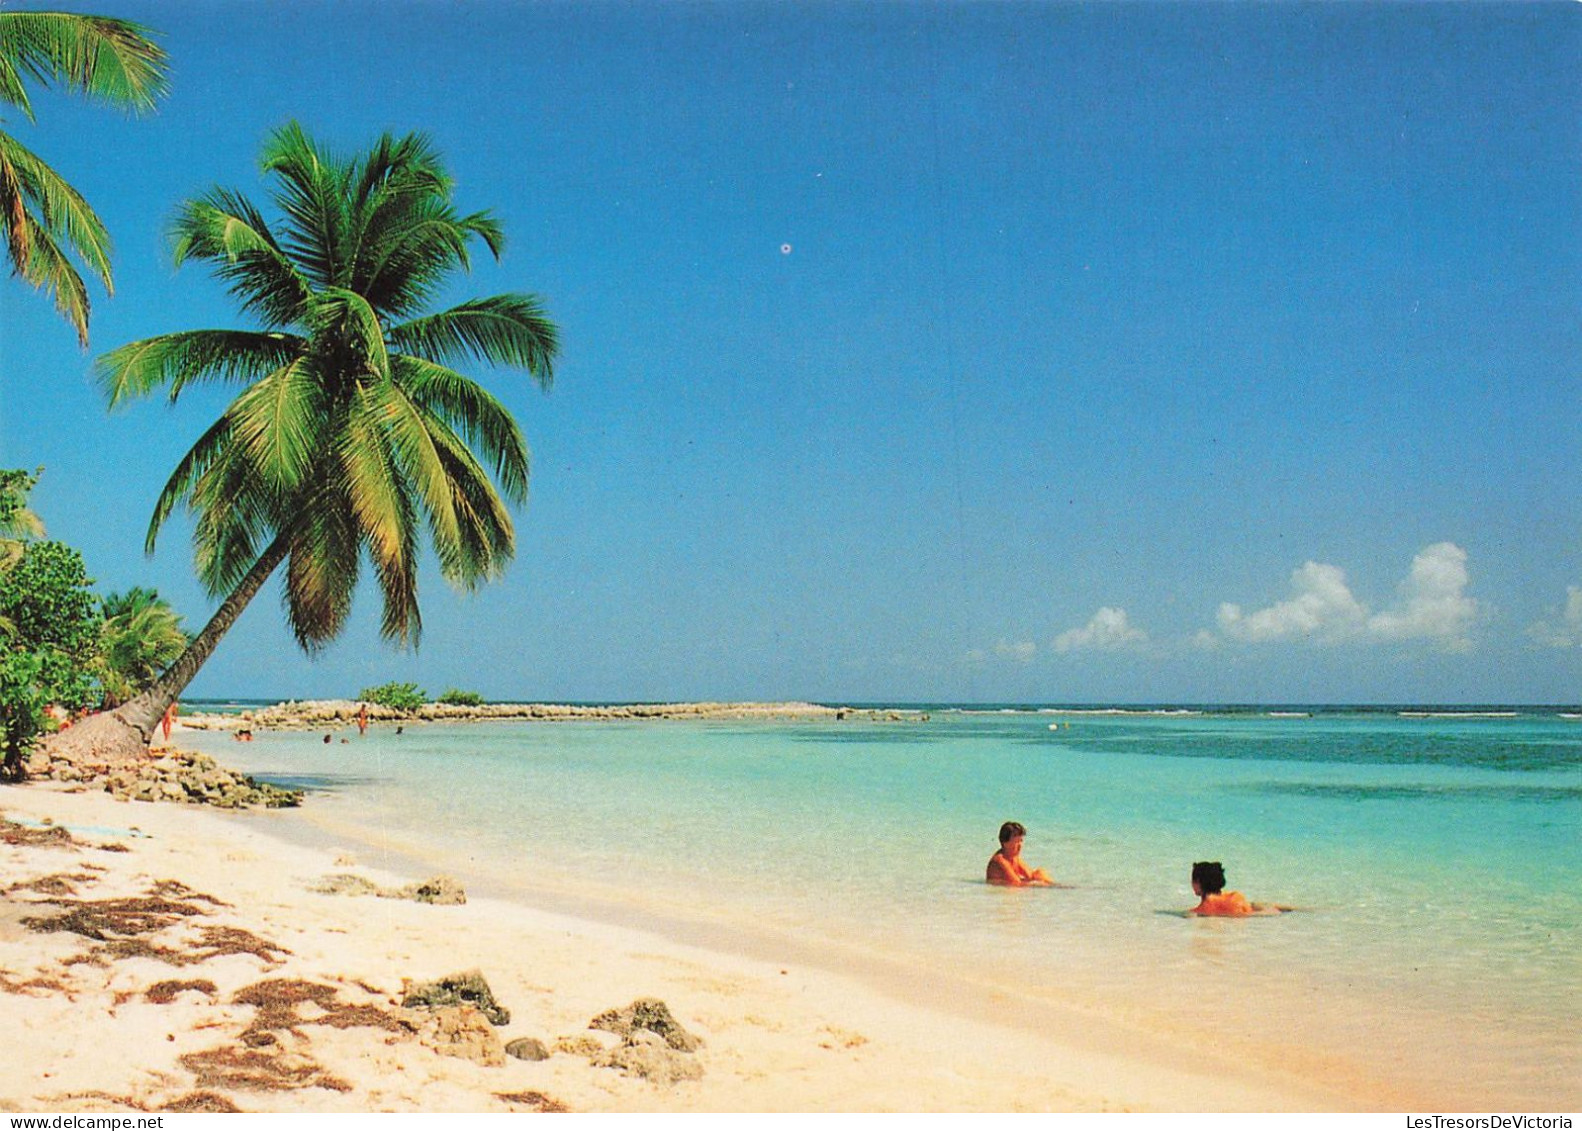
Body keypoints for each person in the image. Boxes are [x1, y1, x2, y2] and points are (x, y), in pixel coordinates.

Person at [1186, 861, 1289, 916]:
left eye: (1193, 881)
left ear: (1198, 882)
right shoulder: (1236, 896)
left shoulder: (1202, 909)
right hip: (1255, 910)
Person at [986, 821, 1053, 886]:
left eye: (1021, 841)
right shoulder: (1000, 861)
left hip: (1011, 887)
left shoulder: (1014, 858)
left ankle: (1055, 888)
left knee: (1040, 873)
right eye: (1017, 841)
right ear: (1005, 843)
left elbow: (1031, 875)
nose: (1020, 845)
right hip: (1001, 893)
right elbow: (1016, 883)